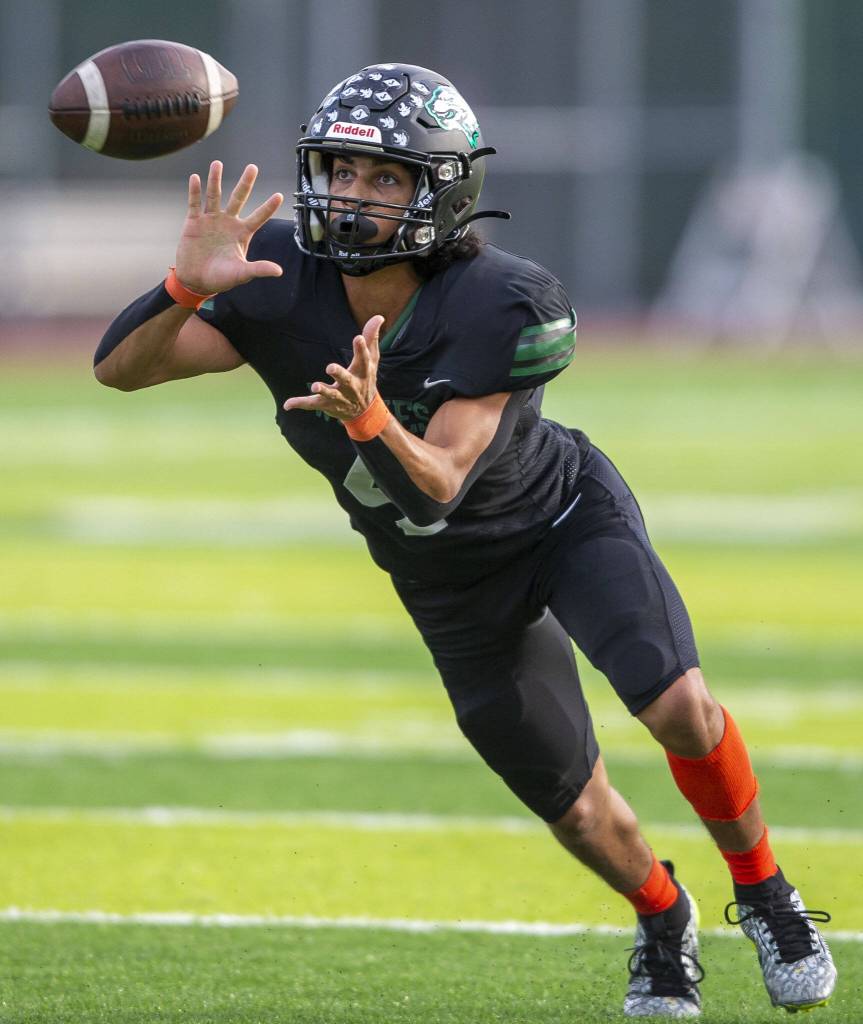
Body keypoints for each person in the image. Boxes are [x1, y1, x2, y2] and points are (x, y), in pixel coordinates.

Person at [94, 63, 836, 1017]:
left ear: (441, 189)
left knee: (676, 704)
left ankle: (767, 893)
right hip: (444, 582)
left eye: (383, 178)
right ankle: (662, 916)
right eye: (340, 171)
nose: (351, 197)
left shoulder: (503, 301)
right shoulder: (280, 276)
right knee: (575, 808)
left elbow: (440, 481)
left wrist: (370, 420)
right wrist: (183, 288)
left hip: (558, 519)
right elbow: (122, 370)